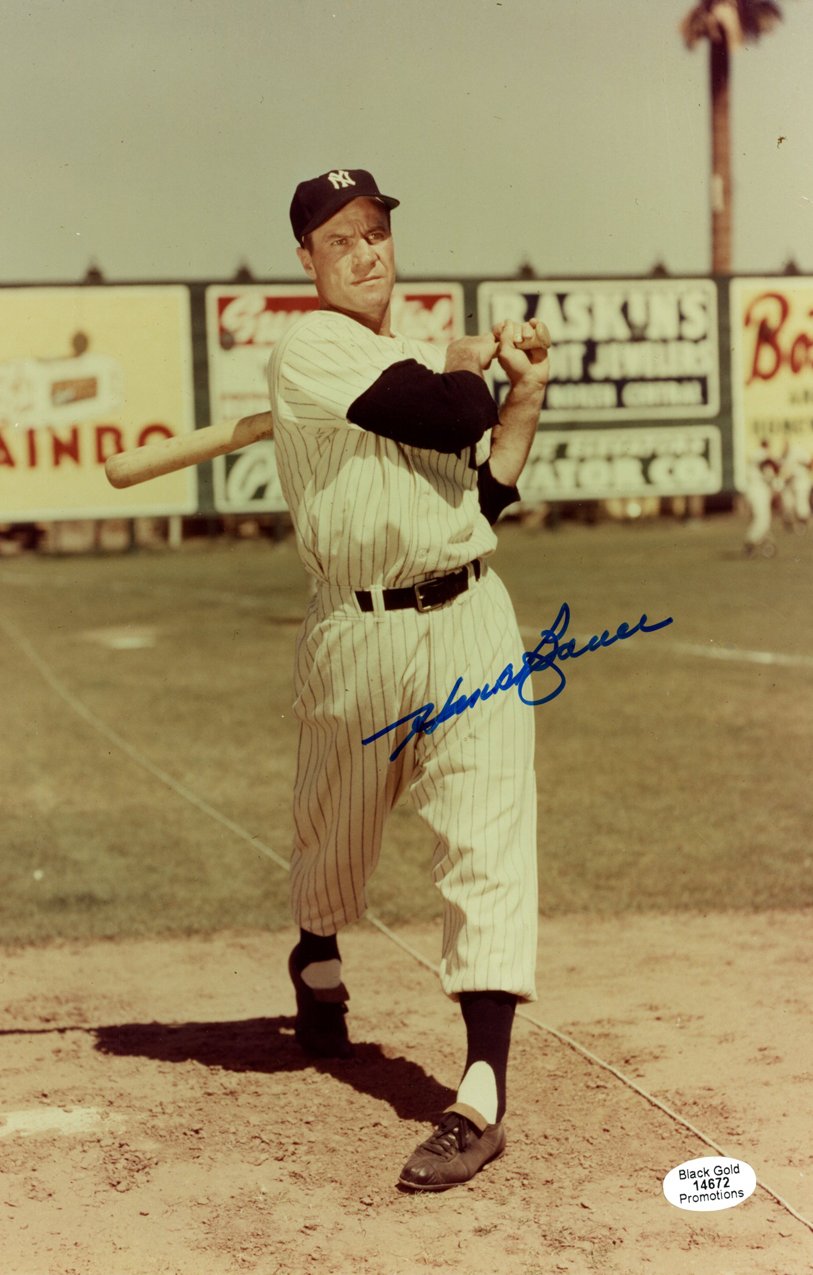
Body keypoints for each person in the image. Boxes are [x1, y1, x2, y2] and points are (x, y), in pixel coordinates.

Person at [267, 169, 549, 1191]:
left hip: (469, 614)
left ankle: (480, 1091)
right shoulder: (312, 347)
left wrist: (518, 394)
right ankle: (317, 957)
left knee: (488, 838)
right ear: (307, 259)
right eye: (338, 239)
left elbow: (485, 490)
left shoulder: (417, 355)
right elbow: (436, 417)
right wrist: (470, 368)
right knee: (332, 838)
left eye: (375, 233)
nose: (364, 252)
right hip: (358, 631)